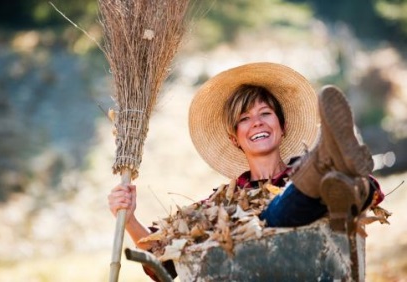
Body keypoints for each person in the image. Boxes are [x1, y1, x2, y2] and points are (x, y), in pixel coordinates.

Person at [108, 62, 385, 280]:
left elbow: (375, 191)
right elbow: (164, 256)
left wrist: (360, 187)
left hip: (322, 266)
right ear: (234, 138)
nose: (257, 123)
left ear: (282, 125)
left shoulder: (295, 169)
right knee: (272, 217)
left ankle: (331, 174)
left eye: (265, 113)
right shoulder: (222, 205)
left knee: (344, 184)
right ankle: (324, 162)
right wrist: (130, 218)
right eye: (244, 119)